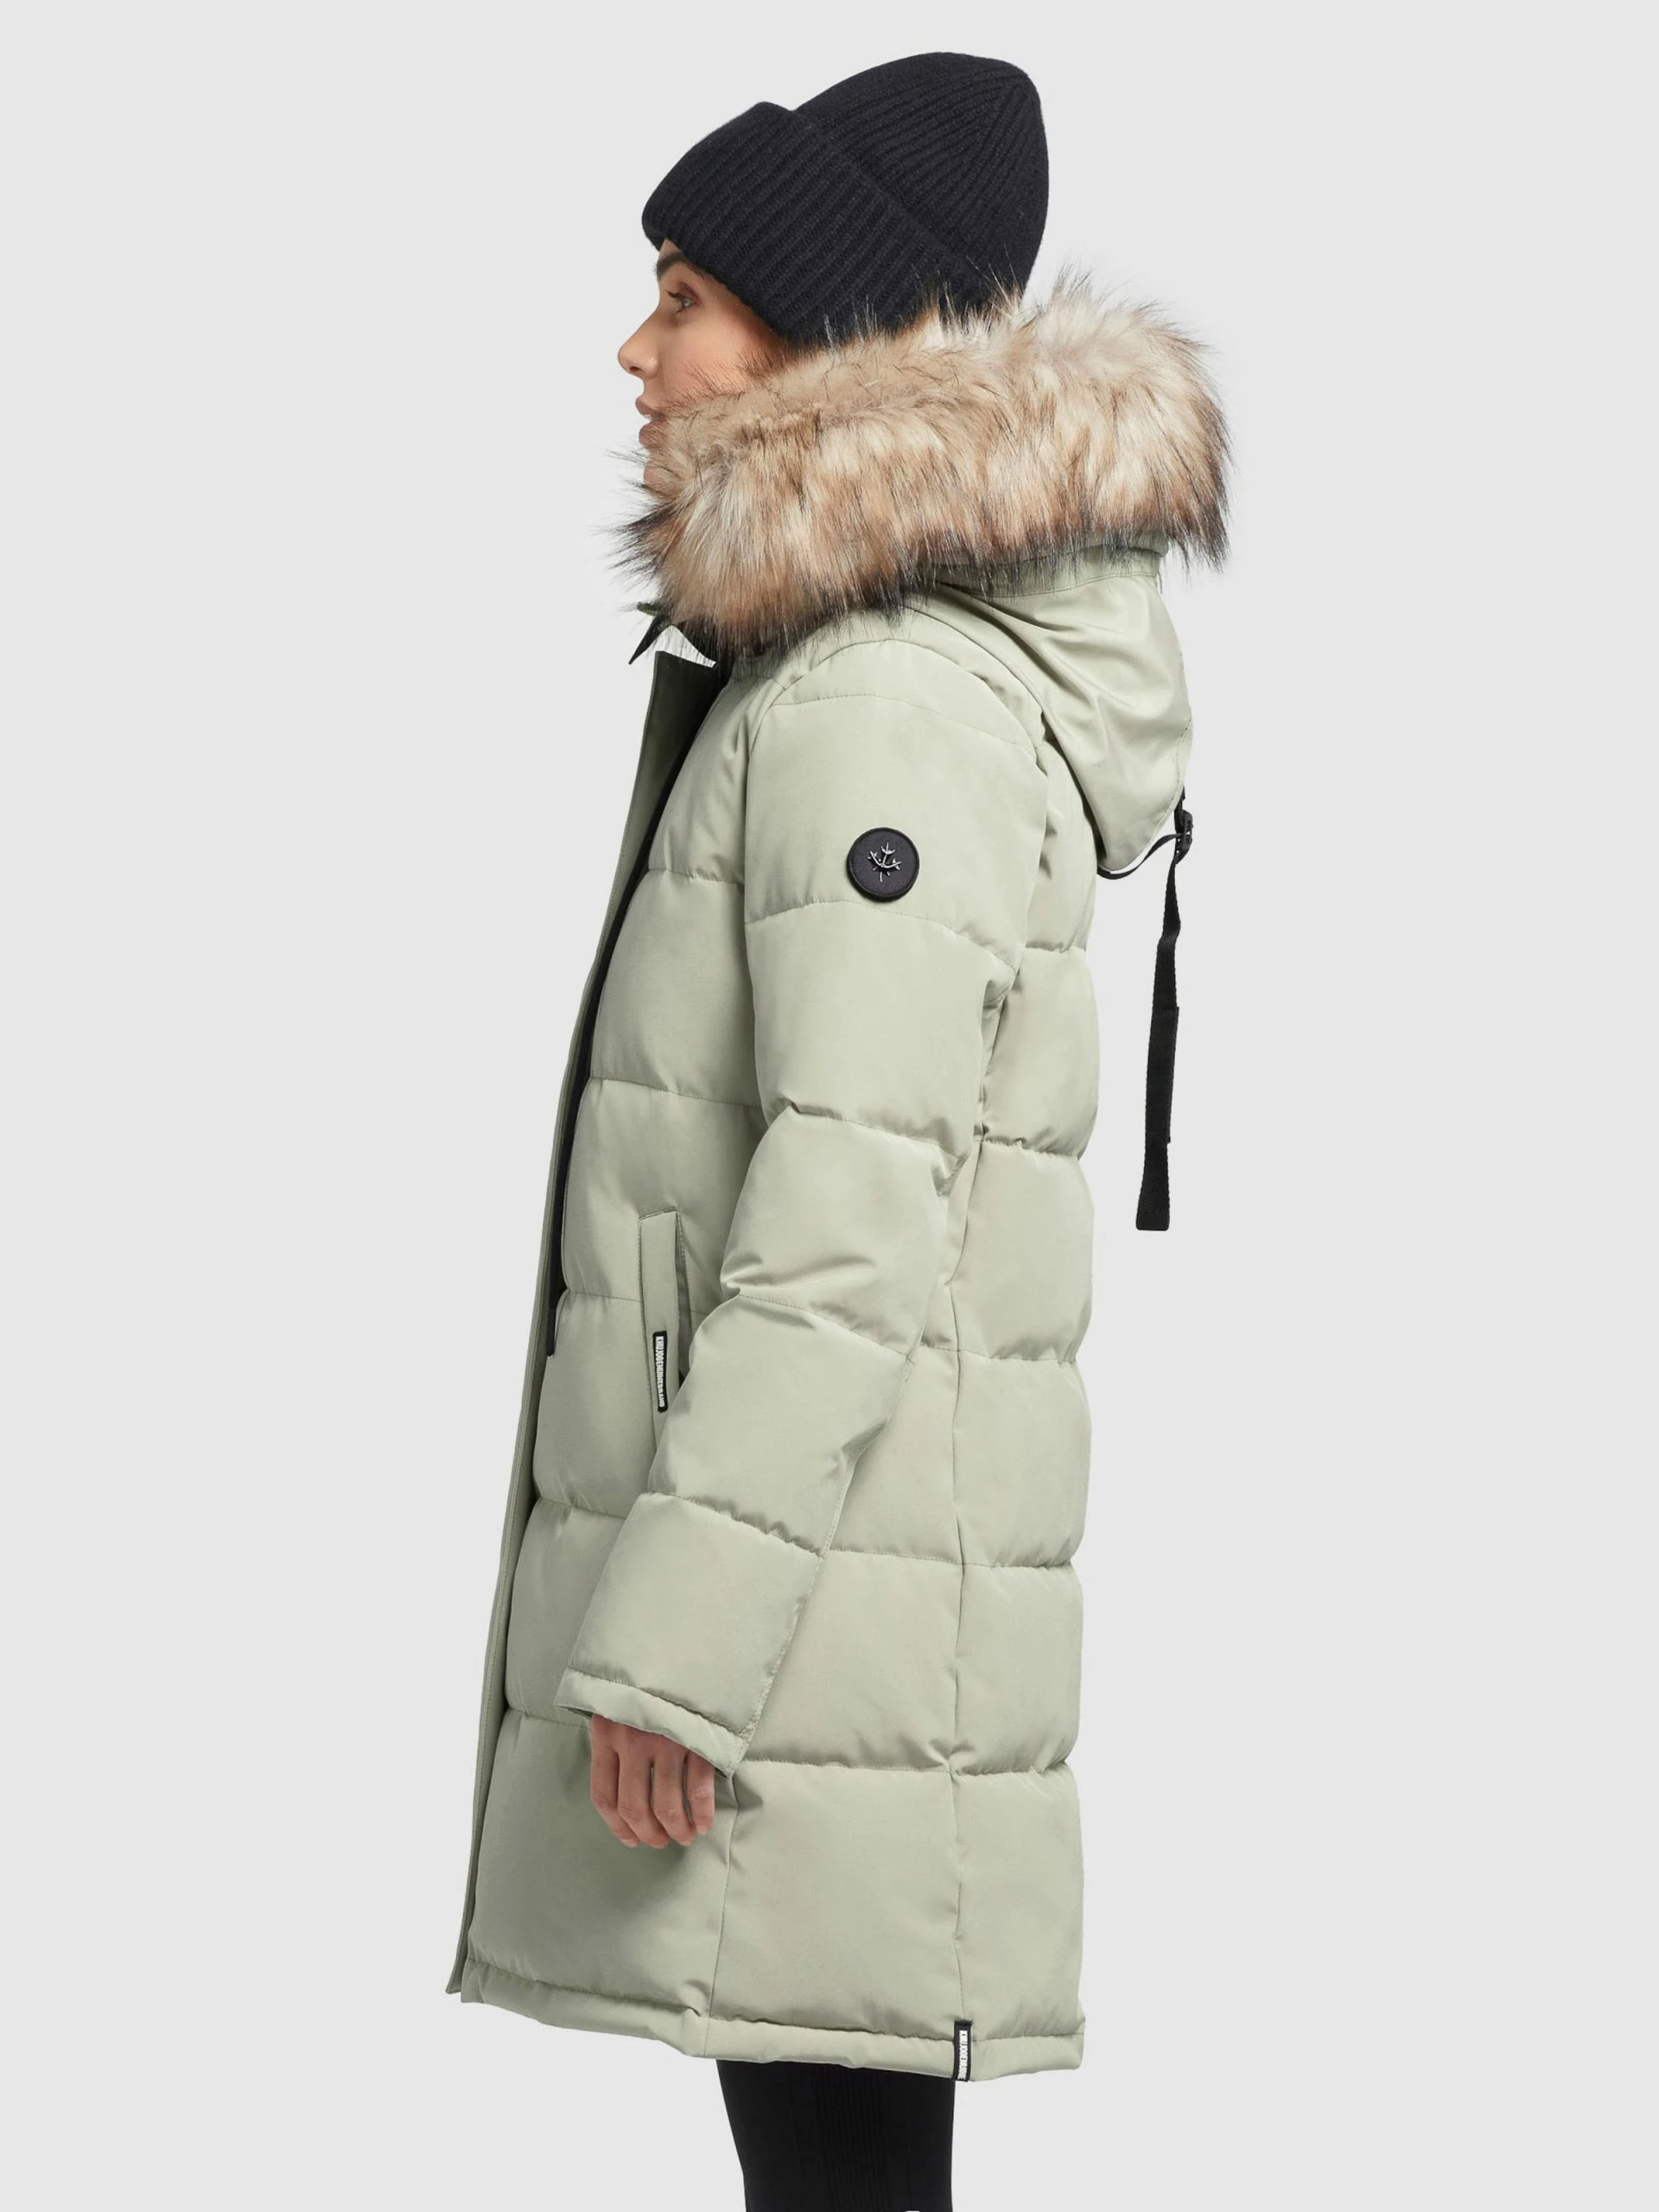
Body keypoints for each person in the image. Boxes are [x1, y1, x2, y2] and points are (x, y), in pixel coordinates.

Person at [447, 49, 1230, 2211]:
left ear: (823, 341)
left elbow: (850, 1212)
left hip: (811, 1636)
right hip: (839, 1603)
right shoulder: (839, 669)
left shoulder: (883, 703)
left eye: (684, 295)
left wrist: (675, 1645)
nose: (637, 350)